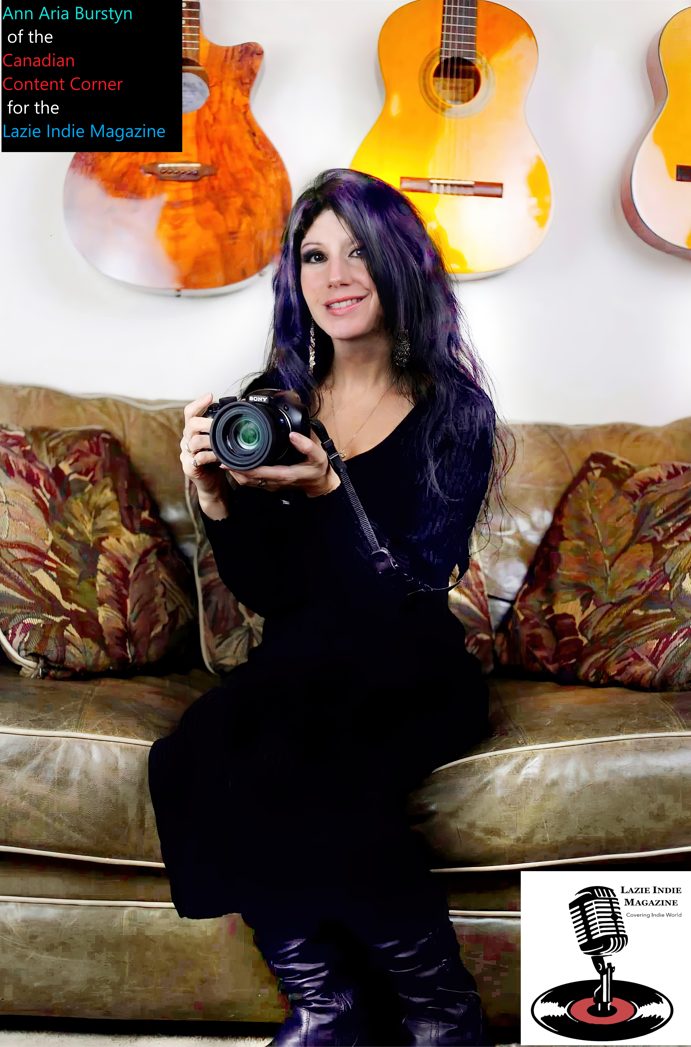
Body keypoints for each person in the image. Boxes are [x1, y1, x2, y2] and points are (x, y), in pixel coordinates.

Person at [148, 169, 505, 1046]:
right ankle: (327, 1002)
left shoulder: (453, 413)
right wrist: (216, 498)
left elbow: (409, 589)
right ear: (293, 276)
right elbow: (270, 594)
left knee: (298, 754)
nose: (335, 275)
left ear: (399, 264)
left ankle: (438, 1008)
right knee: (192, 750)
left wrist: (327, 490)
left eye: (358, 252)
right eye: (313, 255)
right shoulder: (272, 407)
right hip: (299, 667)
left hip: (412, 668)